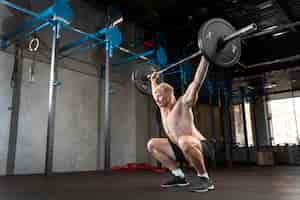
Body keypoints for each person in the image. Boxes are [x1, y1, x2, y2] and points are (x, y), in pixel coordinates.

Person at [147, 56, 215, 193]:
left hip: (201, 148)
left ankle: (205, 179)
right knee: (152, 144)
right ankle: (178, 176)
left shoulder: (183, 104)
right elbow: (155, 91)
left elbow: (196, 82)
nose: (157, 99)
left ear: (170, 95)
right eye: (156, 95)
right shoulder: (162, 107)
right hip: (180, 148)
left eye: (160, 96)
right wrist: (153, 80)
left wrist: (206, 58)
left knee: (184, 140)